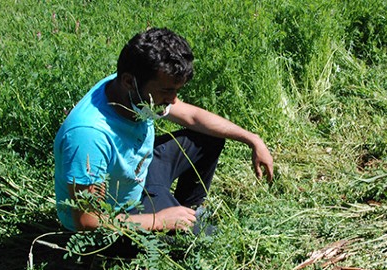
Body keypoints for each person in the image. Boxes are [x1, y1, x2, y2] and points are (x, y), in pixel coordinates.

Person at [54, 27, 273, 235]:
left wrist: (252, 139)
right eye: (167, 91)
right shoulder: (89, 135)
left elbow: (193, 117)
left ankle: (188, 210)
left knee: (210, 135)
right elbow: (87, 220)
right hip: (121, 213)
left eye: (177, 90)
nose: (173, 100)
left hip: (140, 173)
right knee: (208, 241)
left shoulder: (130, 88)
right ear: (129, 81)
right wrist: (158, 221)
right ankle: (180, 223)